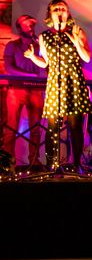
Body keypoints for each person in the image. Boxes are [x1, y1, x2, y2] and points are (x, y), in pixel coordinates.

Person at [24, 0, 92, 171]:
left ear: (68, 13)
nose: (60, 11)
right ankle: (52, 165)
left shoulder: (77, 32)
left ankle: (77, 164)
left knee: (75, 126)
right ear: (50, 13)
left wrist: (76, 41)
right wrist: (33, 57)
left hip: (74, 82)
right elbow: (45, 62)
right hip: (55, 82)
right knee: (52, 127)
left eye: (63, 8)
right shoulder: (44, 36)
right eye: (56, 9)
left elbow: (87, 58)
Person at [2, 15, 47, 167]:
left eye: (32, 25)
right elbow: (9, 68)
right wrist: (31, 75)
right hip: (16, 90)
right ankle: (8, 163)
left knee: (36, 128)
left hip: (35, 90)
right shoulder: (12, 45)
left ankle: (35, 161)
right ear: (19, 27)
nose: (30, 27)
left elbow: (45, 65)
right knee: (11, 128)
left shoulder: (39, 46)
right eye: (26, 25)